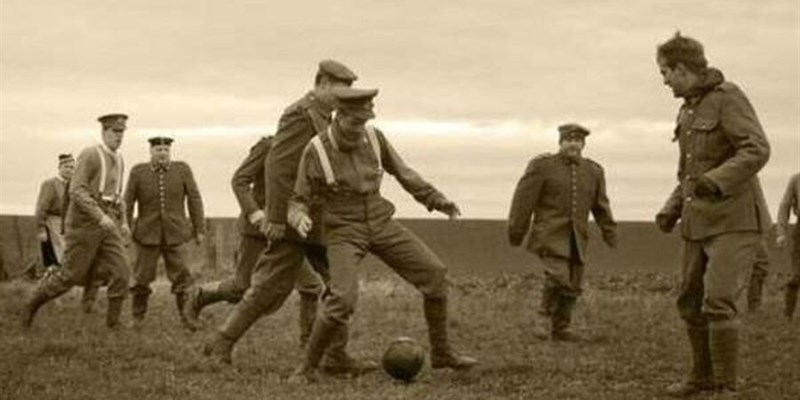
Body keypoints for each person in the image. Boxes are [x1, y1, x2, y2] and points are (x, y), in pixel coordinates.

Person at [287, 87, 477, 383]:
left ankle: (442, 353)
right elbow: (298, 197)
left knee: (435, 274)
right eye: (354, 123)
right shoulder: (317, 150)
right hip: (343, 229)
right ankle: (306, 368)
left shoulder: (374, 137)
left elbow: (404, 173)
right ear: (339, 117)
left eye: (364, 122)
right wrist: (298, 217)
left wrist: (437, 200)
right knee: (342, 299)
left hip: (380, 221)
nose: (359, 130)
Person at [203, 60, 369, 375]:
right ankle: (221, 344)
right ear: (321, 84)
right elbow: (277, 168)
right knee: (268, 288)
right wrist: (278, 219)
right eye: (339, 89)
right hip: (295, 222)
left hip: (319, 221)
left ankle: (336, 356)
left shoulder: (326, 117)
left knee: (340, 283)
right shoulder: (299, 115)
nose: (344, 97)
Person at [654, 33, 771, 396]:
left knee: (718, 298)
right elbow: (689, 173)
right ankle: (701, 377)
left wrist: (716, 181)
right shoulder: (687, 108)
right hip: (697, 221)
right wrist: (672, 207)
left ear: (682, 68)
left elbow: (757, 149)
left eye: (665, 72)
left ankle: (726, 385)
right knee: (689, 300)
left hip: (734, 220)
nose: (664, 80)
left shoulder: (728, 98)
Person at [183, 135, 322, 346]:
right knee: (241, 287)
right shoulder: (269, 146)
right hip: (257, 232)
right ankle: (200, 294)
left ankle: (309, 343)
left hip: (289, 235)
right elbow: (239, 180)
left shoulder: (314, 151)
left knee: (311, 286)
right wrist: (256, 213)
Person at [22, 113, 133, 329]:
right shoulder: (90, 155)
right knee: (69, 276)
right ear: (104, 132)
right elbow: (76, 190)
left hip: (108, 223)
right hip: (83, 224)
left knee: (122, 271)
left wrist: (124, 222)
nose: (119, 137)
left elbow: (117, 197)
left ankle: (113, 323)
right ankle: (31, 304)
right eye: (115, 132)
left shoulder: (119, 159)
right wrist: (99, 216)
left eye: (122, 132)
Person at [507, 123, 617, 341]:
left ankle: (561, 328)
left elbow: (600, 205)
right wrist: (516, 230)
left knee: (574, 282)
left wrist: (609, 229)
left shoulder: (594, 171)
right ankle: (542, 318)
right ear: (561, 142)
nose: (573, 145)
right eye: (569, 140)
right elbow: (523, 200)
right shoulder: (542, 166)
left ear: (583, 144)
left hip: (577, 237)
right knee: (558, 277)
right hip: (549, 235)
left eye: (578, 141)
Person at [124, 136, 204, 329]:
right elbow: (127, 203)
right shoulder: (138, 171)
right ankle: (137, 318)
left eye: (165, 149)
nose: (162, 153)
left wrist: (199, 228)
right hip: (146, 235)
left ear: (170, 152)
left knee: (182, 278)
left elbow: (194, 199)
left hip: (176, 234)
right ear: (150, 151)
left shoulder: (182, 169)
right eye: (158, 149)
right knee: (141, 278)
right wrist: (124, 228)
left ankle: (187, 318)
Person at [35, 154, 75, 272]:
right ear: (60, 167)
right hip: (53, 222)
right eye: (66, 167)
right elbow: (41, 208)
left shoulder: (74, 186)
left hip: (68, 223)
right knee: (55, 257)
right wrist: (41, 229)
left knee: (69, 255)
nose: (69, 170)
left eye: (72, 168)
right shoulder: (50, 184)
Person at [776, 171, 800, 319]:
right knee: (797, 275)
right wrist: (781, 232)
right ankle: (787, 315)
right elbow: (784, 206)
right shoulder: (796, 179)